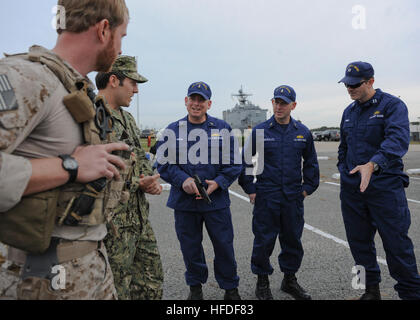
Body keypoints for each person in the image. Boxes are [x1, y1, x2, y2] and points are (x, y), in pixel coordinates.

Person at [0, 0, 131, 300]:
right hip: (40, 280)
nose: (121, 50)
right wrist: (69, 166)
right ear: (103, 30)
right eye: (121, 37)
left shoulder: (76, 89)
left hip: (88, 267)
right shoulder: (27, 78)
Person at [337, 61, 420, 300]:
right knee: (358, 244)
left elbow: (397, 141)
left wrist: (372, 165)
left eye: (355, 84)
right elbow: (344, 146)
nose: (350, 89)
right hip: (353, 190)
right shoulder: (348, 112)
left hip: (384, 187)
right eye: (347, 84)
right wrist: (344, 169)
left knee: (397, 245)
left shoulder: (393, 106)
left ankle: (411, 294)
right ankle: (369, 290)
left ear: (371, 81)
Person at [156, 82, 242, 300]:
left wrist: (218, 182)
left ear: (209, 103)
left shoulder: (222, 128)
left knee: (224, 246)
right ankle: (195, 288)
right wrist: (182, 179)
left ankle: (230, 288)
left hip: (216, 202)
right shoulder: (172, 130)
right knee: (190, 247)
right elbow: (164, 164)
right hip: (185, 203)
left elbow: (234, 163)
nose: (196, 103)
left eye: (201, 100)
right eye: (192, 99)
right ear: (186, 101)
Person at [239, 85, 319, 300]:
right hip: (267, 195)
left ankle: (289, 280)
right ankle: (262, 281)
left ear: (293, 105)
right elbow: (246, 162)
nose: (279, 106)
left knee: (293, 239)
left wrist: (307, 188)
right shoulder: (260, 131)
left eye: (284, 103)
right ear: (272, 103)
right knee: (264, 240)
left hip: (293, 196)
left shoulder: (302, 132)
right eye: (276, 102)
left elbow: (311, 162)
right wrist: (250, 188)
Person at [95, 55, 164, 300]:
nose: (136, 90)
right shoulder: (93, 117)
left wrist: (150, 180)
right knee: (117, 287)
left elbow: (140, 157)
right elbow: (93, 173)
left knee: (150, 283)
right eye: (132, 83)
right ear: (114, 80)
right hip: (112, 224)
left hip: (138, 219)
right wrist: (137, 184)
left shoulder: (128, 118)